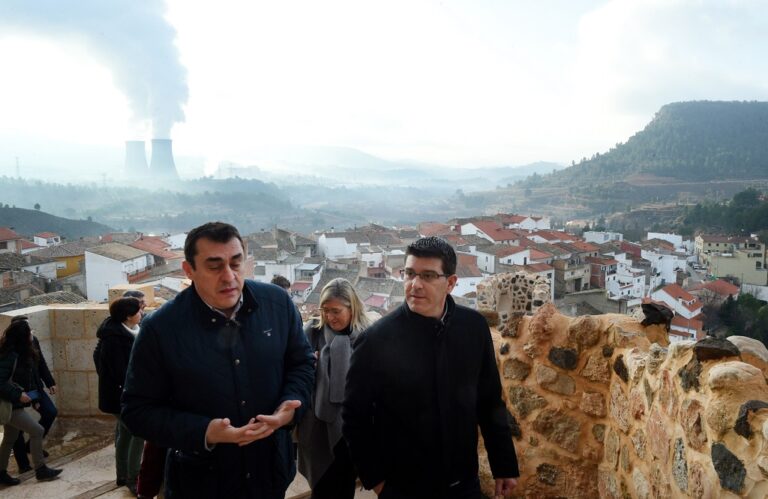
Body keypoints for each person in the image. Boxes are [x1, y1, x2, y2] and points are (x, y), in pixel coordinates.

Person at [121, 221, 315, 498]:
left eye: (236, 263)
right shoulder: (161, 329)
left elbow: (302, 363)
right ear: (189, 270)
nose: (229, 276)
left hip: (269, 471)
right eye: (214, 266)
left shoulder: (277, 304)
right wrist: (206, 432)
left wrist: (290, 405)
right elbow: (137, 411)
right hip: (200, 482)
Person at [343, 237, 519, 499]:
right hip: (403, 488)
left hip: (464, 484)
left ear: (450, 283)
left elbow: (489, 400)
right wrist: (378, 483)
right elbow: (354, 417)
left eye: (427, 276)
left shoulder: (473, 328)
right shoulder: (375, 341)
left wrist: (503, 464)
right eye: (409, 273)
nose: (415, 284)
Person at [297, 278, 372, 499]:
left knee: (345, 485)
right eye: (325, 310)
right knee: (322, 488)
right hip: (317, 428)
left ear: (352, 308)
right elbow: (295, 373)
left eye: (336, 311)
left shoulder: (368, 337)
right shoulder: (312, 332)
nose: (330, 317)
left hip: (353, 427)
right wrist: (310, 365)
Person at [0, 319, 63, 485]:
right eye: (29, 331)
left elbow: (30, 374)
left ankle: (1, 472)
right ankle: (41, 469)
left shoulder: (20, 352)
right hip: (10, 405)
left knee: (10, 438)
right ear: (22, 337)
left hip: (13, 403)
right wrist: (18, 395)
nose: (32, 333)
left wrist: (34, 399)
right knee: (37, 430)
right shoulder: (10, 356)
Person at [94, 297, 145, 495]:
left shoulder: (130, 330)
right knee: (138, 433)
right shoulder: (114, 339)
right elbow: (120, 372)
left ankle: (122, 475)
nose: (141, 314)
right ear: (128, 316)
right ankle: (133, 478)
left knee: (125, 434)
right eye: (138, 311)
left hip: (124, 394)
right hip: (119, 397)